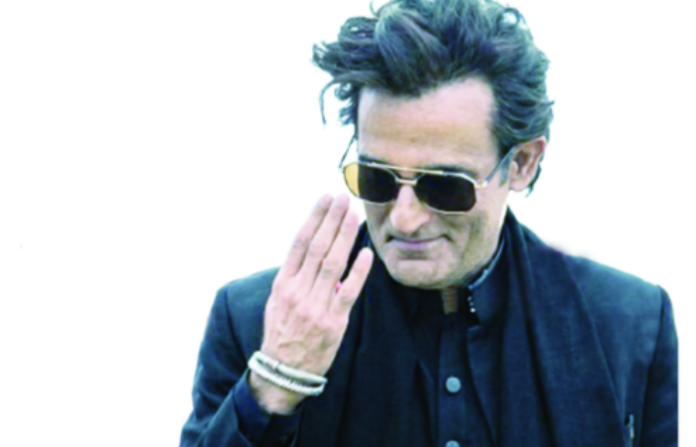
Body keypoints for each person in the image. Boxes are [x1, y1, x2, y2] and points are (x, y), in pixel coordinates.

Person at [179, 0, 678, 446]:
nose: (404, 217)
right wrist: (273, 386)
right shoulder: (256, 322)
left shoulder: (629, 326)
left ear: (522, 163)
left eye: (444, 186)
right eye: (376, 179)